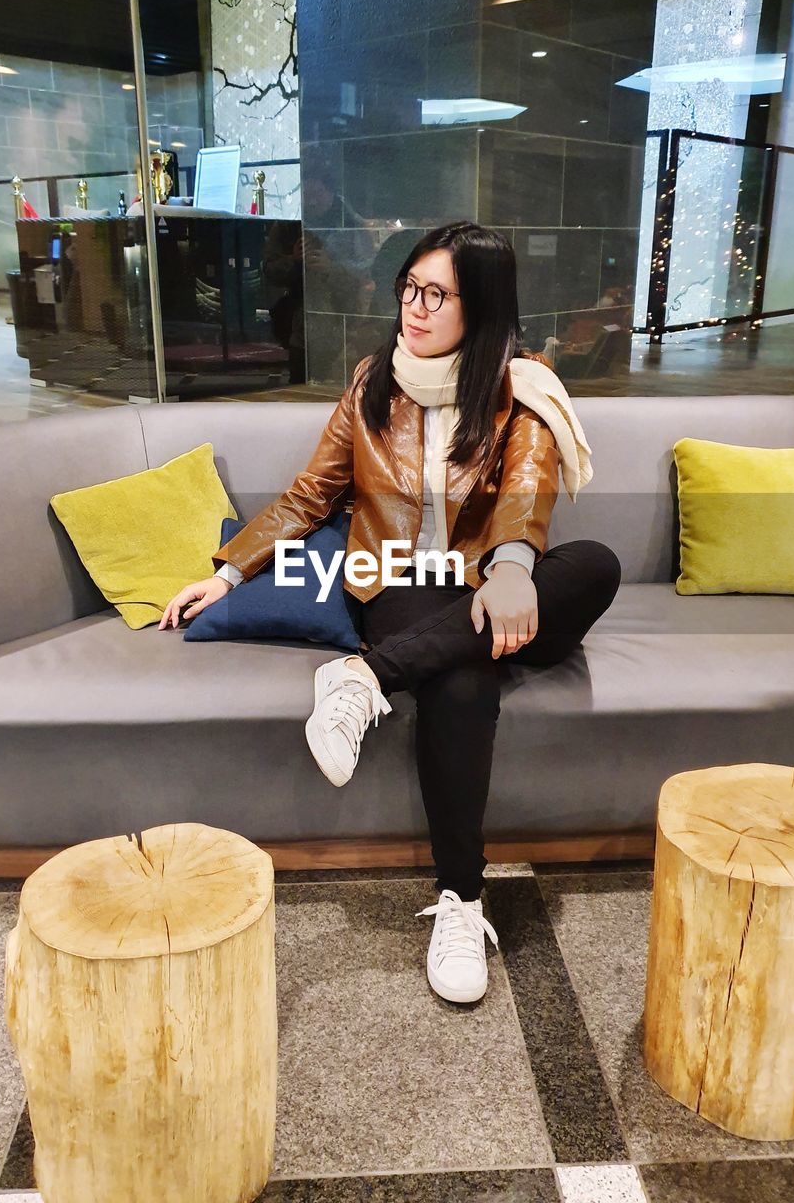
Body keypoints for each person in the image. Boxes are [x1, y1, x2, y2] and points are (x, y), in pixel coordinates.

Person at [160, 221, 621, 1006]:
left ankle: (362, 679)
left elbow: (526, 492)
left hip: (493, 584)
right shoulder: (376, 380)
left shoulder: (523, 387)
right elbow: (313, 495)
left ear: (481, 306)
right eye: (410, 287)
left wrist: (510, 570)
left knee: (595, 565)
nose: (416, 306)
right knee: (466, 683)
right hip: (401, 581)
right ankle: (461, 902)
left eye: (438, 294)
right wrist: (232, 572)